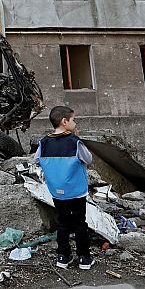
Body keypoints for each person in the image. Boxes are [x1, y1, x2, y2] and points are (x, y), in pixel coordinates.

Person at [32, 105, 94, 270]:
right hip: (76, 190)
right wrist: (79, 140)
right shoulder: (74, 142)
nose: (75, 123)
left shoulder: (44, 142)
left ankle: (63, 256)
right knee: (80, 223)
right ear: (64, 121)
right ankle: (84, 258)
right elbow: (88, 159)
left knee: (63, 223)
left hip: (56, 191)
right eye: (73, 120)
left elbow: (36, 160)